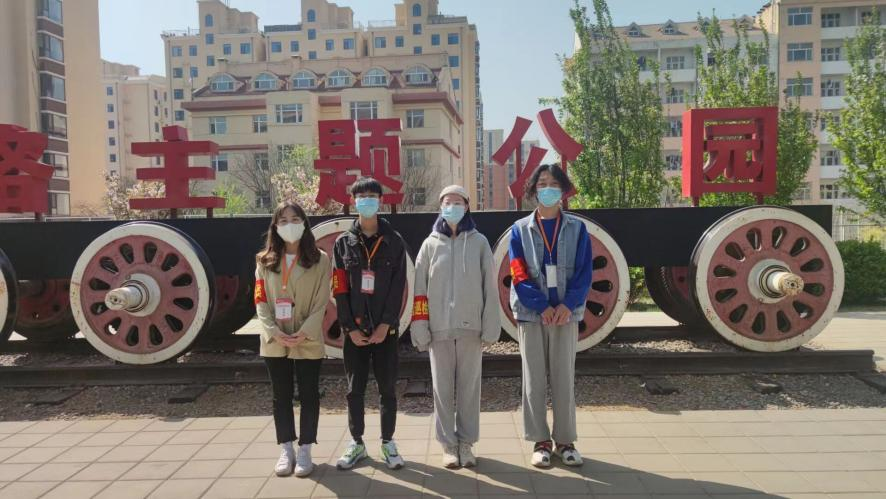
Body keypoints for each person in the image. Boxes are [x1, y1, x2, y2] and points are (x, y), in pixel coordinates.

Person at [508, 164, 593, 468]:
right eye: (542, 183)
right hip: (532, 315)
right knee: (533, 380)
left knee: (563, 378)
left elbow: (584, 272)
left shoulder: (577, 229)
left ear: (563, 191)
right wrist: (542, 306)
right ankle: (540, 441)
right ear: (533, 190)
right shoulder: (519, 230)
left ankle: (566, 441)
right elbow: (518, 273)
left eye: (554, 184)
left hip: (565, 316)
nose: (548, 189)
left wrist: (567, 305)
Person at [411, 185, 500, 469]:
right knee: (442, 390)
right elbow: (419, 291)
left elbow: (490, 288)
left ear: (467, 206)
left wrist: (490, 326)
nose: (452, 207)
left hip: (470, 329)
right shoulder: (429, 245)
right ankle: (449, 445)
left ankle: (466, 443)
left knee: (469, 389)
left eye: (458, 202)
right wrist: (420, 326)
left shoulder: (479, 243)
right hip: (439, 330)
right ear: (440, 206)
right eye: (447, 202)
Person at [332, 177, 408, 470]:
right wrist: (349, 328)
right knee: (355, 390)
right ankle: (357, 443)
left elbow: (398, 287)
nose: (366, 200)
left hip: (385, 332)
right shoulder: (343, 244)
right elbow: (339, 288)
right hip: (355, 332)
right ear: (353, 201)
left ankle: (388, 442)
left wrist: (385, 325)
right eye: (361, 196)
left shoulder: (394, 242)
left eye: (371, 196)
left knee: (387, 389)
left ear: (380, 201)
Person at [254, 201, 331, 477]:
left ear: (304, 223)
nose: (290, 225)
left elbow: (322, 301)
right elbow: (260, 299)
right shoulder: (264, 261)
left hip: (306, 337)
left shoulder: (320, 259)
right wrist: (273, 331)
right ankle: (286, 448)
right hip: (275, 338)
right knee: (281, 395)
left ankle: (306, 448)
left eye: (295, 219)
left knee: (309, 394)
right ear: (275, 227)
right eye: (283, 220)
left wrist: (305, 331)